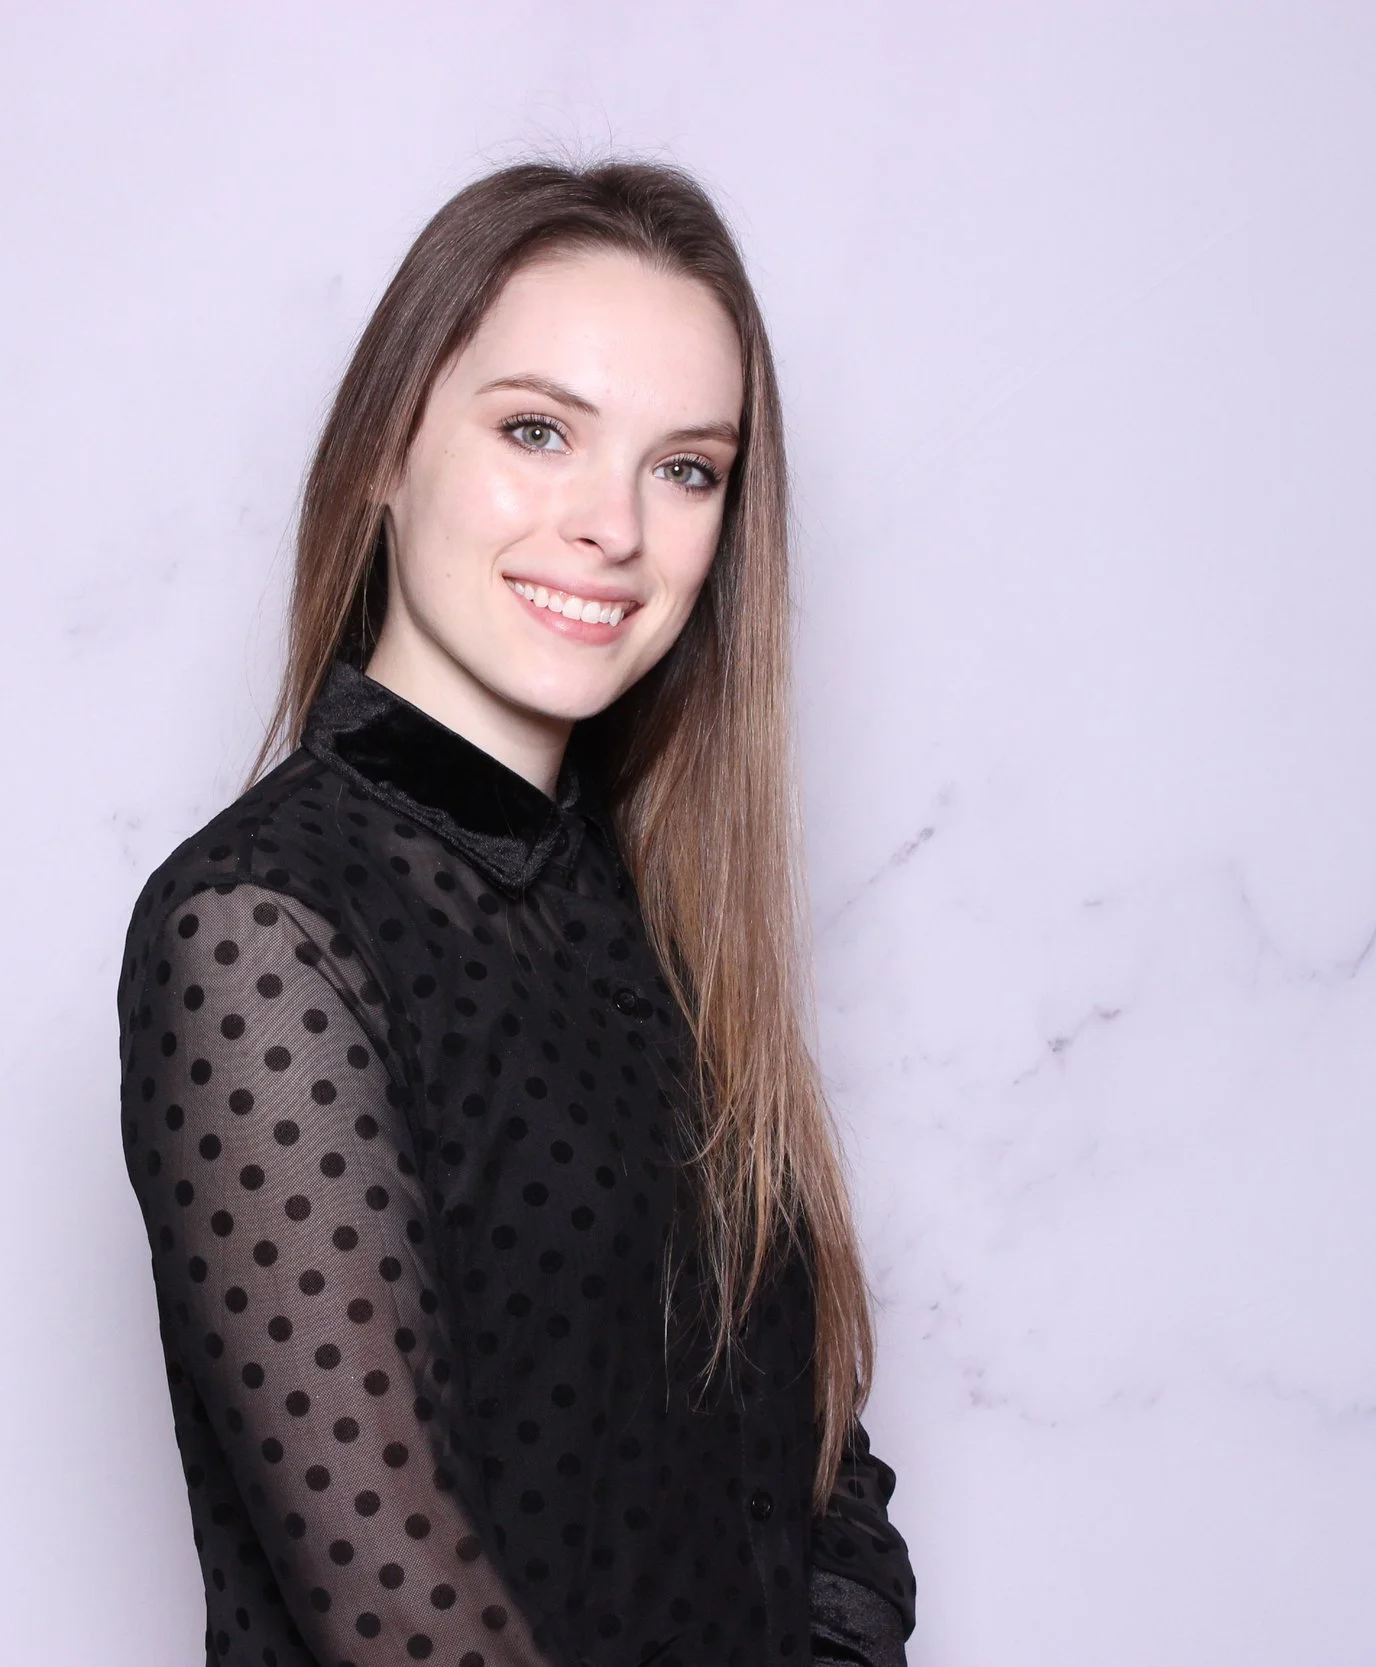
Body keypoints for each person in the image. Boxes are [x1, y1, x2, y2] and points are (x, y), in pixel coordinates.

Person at [115, 160, 917, 1667]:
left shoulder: (674, 929)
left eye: (686, 467)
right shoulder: (258, 933)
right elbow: (406, 1616)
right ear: (385, 453)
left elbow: (826, 1498)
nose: (611, 524)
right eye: (539, 431)